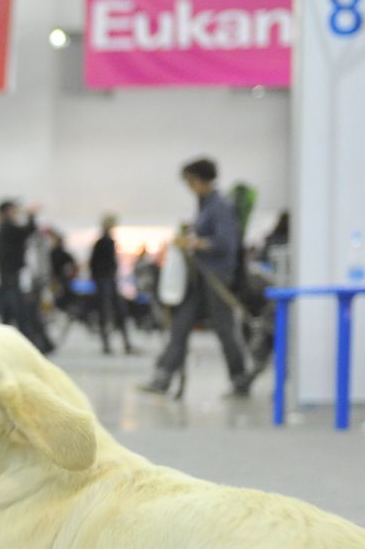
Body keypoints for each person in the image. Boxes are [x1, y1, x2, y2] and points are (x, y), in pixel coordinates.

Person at [142, 157, 252, 397]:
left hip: (216, 278)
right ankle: (163, 377)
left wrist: (193, 242)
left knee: (224, 328)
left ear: (200, 179)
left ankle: (239, 378)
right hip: (198, 277)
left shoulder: (220, 205)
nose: (188, 186)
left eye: (189, 181)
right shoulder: (205, 204)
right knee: (180, 324)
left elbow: (225, 243)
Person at [0, 200, 54, 354]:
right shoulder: (8, 227)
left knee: (11, 314)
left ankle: (18, 348)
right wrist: (31, 215)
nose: (16, 214)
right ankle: (30, 348)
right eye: (14, 210)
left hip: (8, 278)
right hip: (12, 278)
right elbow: (28, 230)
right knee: (20, 314)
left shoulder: (2, 229)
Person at [88, 216, 135, 355]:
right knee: (110, 311)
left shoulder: (103, 242)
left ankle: (112, 344)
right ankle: (116, 344)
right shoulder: (104, 242)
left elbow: (93, 264)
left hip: (106, 280)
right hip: (105, 280)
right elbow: (96, 263)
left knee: (110, 312)